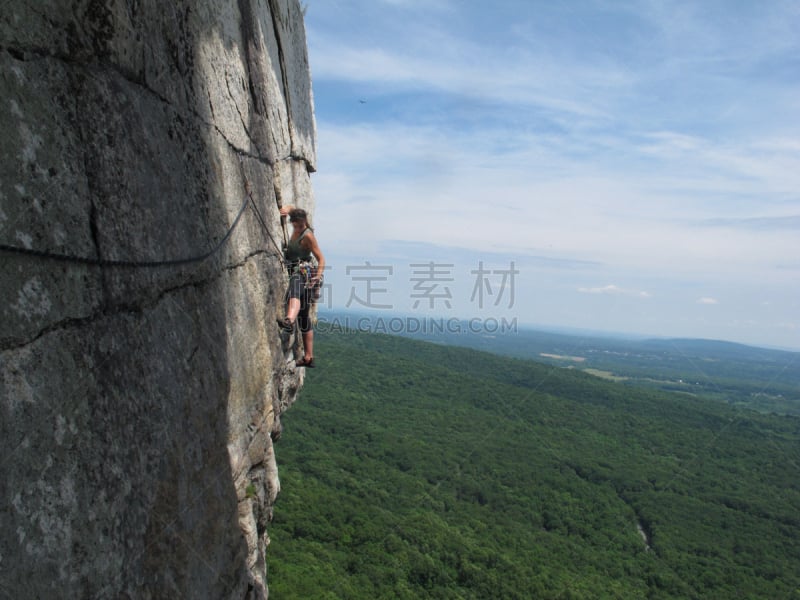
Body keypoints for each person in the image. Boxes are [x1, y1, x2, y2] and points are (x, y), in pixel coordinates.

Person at [277, 206, 325, 368]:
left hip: (303, 271)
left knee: (294, 292)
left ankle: (289, 320)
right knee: (304, 317)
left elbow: (321, 258)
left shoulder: (308, 235)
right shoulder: (297, 221)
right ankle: (309, 357)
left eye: (299, 225)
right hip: (303, 272)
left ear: (304, 222)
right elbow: (293, 209)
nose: (297, 228)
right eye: (295, 225)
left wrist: (318, 277)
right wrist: (287, 209)